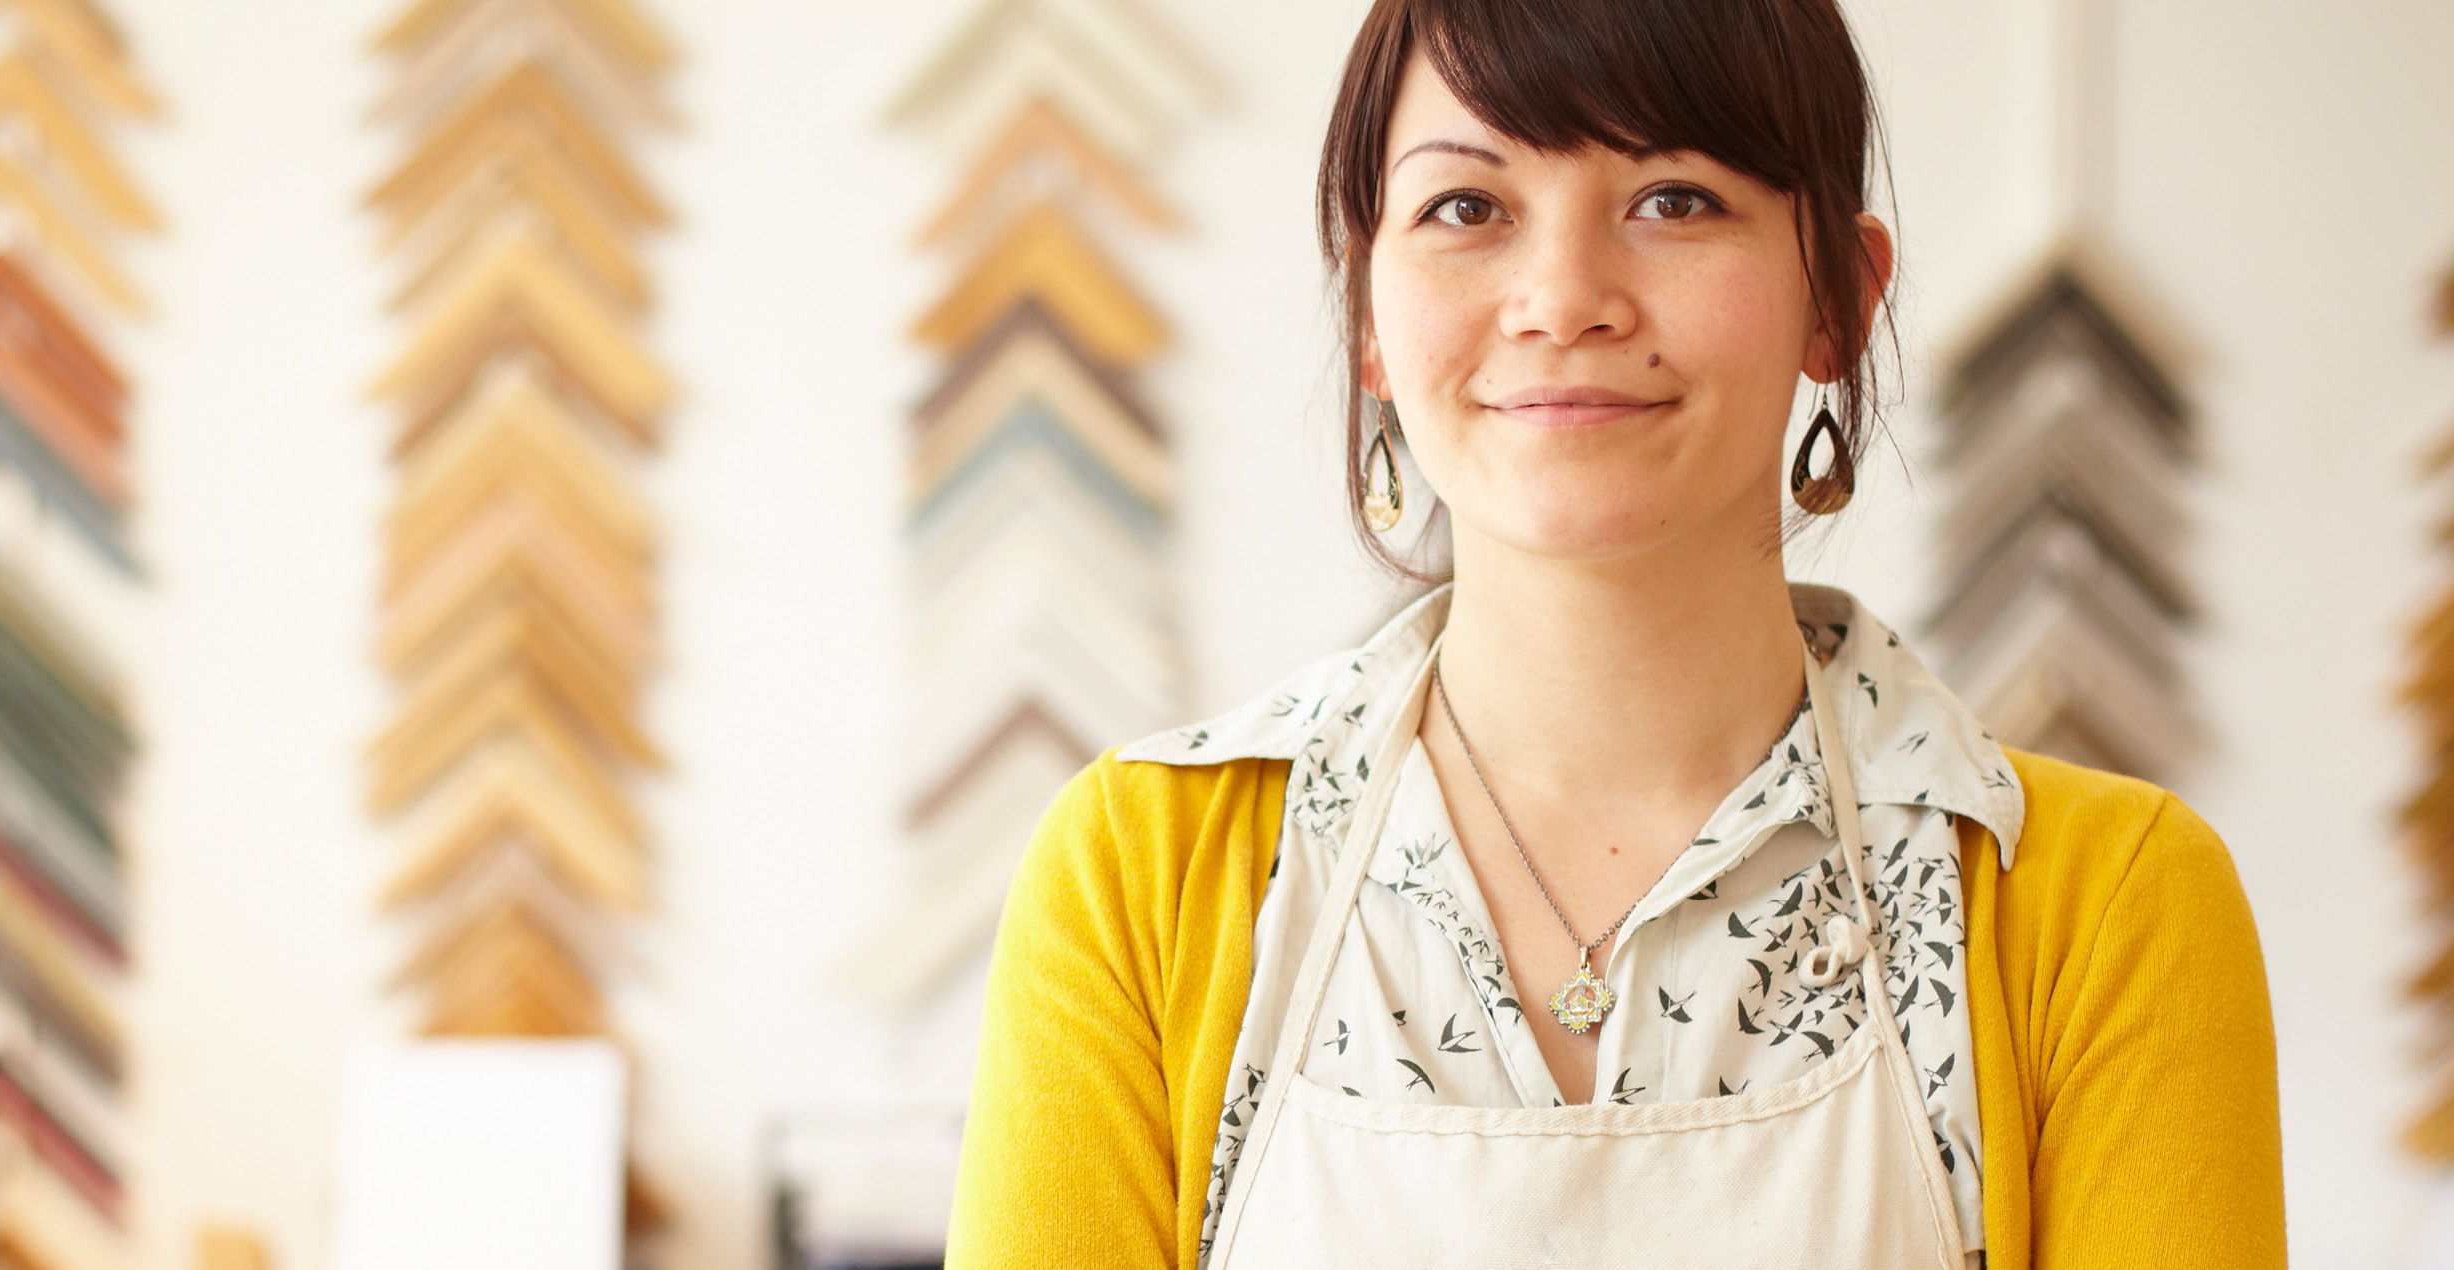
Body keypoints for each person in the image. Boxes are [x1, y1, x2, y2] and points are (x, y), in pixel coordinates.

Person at [943, 0, 2284, 1266]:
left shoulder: (2105, 909)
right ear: (1364, 305)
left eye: (1673, 198)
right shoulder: (1146, 877)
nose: (1563, 296)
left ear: (1839, 295)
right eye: (1467, 205)